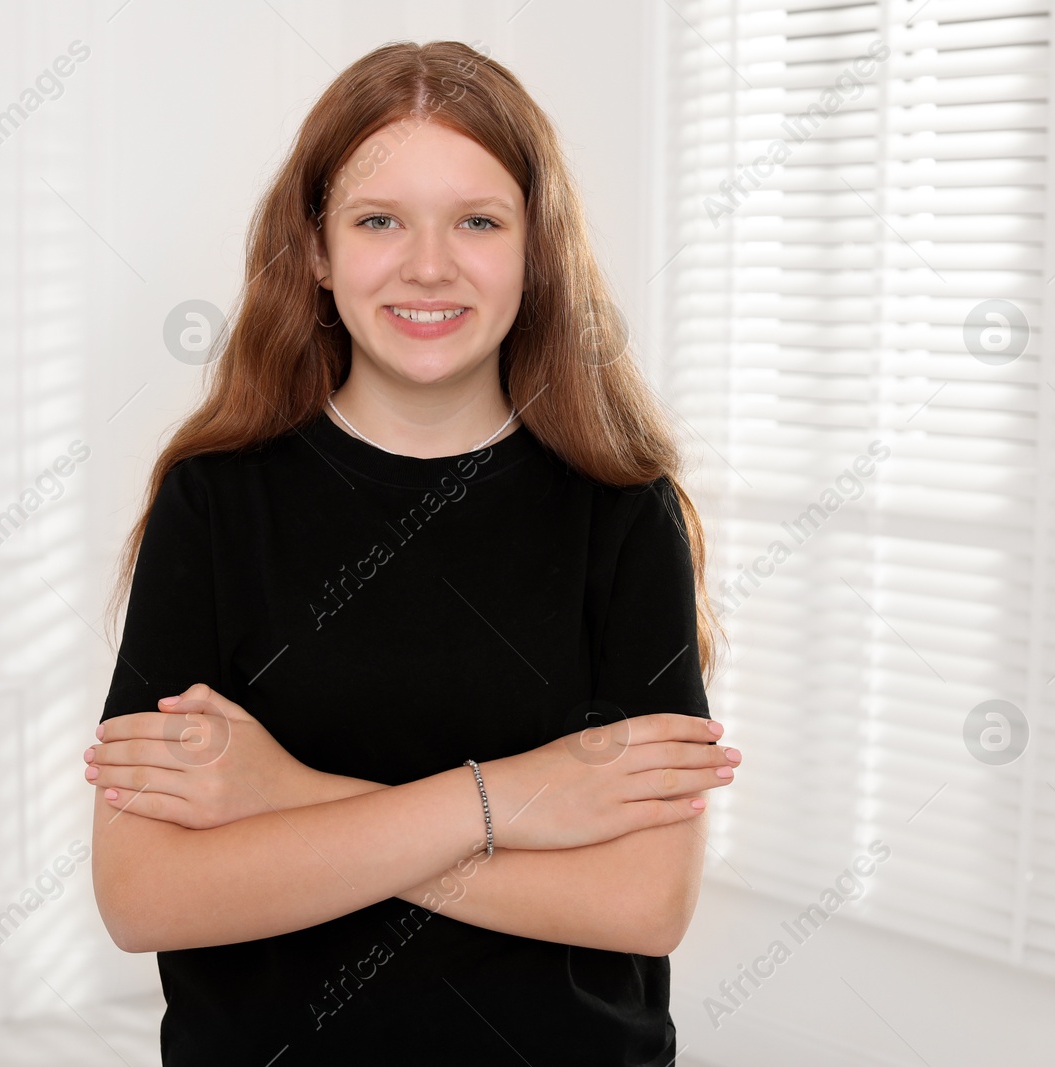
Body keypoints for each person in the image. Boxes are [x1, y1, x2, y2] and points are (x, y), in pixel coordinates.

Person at [83, 39, 740, 1066]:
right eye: (379, 219)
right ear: (314, 248)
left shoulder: (624, 516)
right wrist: (507, 800)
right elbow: (144, 893)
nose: (427, 265)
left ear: (534, 248)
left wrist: (283, 795)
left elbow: (641, 902)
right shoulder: (214, 504)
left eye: (477, 221)